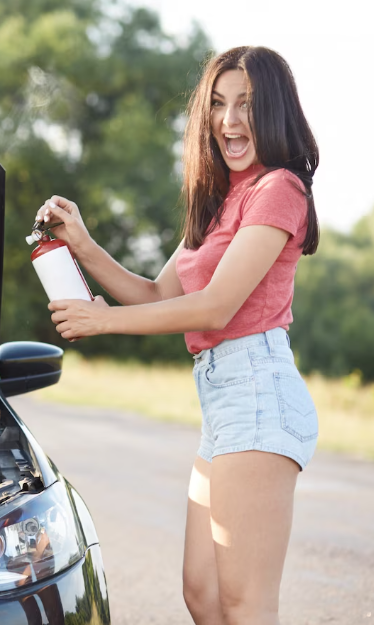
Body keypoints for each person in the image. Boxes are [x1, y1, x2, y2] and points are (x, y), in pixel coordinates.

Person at [35, 46, 319, 625]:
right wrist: (82, 244)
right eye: (218, 104)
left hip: (258, 392)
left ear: (275, 113)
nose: (230, 120)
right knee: (204, 596)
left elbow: (213, 308)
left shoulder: (279, 189)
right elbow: (159, 296)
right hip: (223, 401)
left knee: (244, 603)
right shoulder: (217, 203)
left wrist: (102, 320)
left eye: (247, 105)